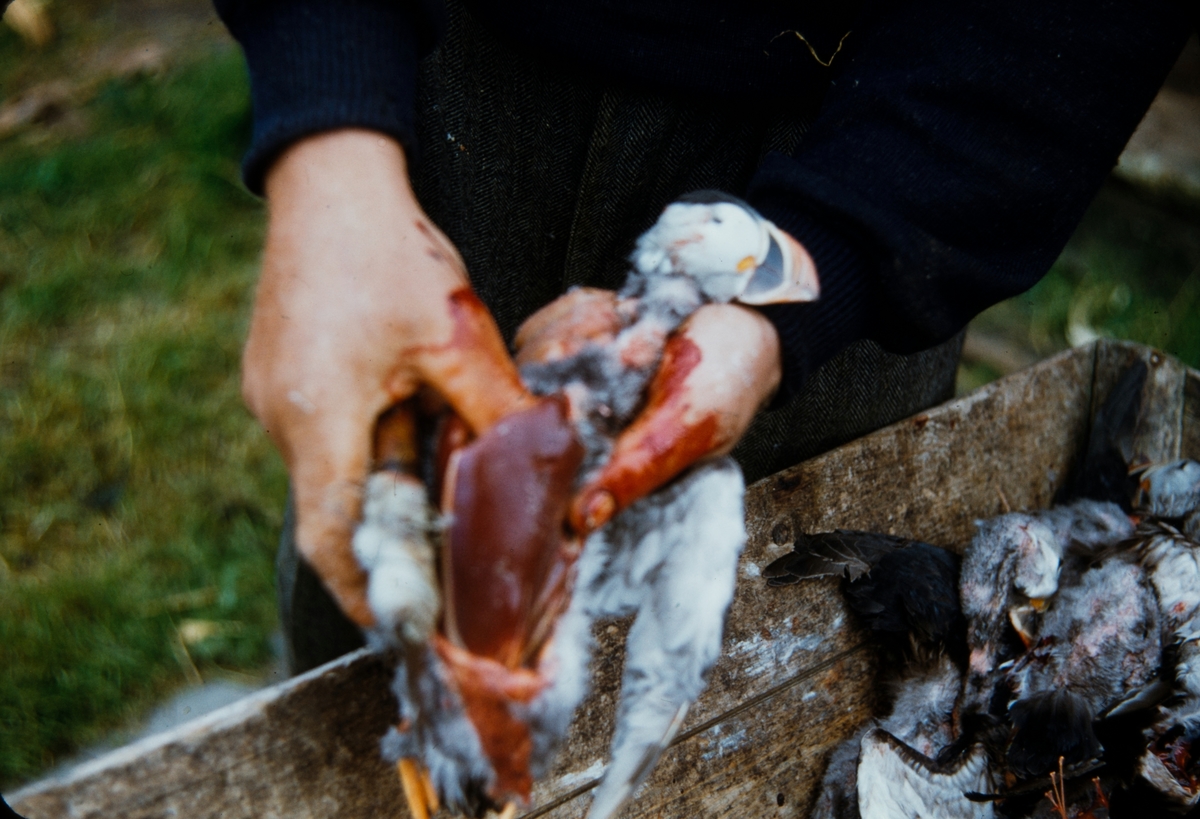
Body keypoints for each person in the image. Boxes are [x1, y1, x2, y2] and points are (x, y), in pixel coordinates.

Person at [213, 0, 1194, 672]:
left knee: (776, 677)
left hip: (865, 140)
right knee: (385, 640)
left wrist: (827, 259)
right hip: (456, 82)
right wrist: (329, 137)